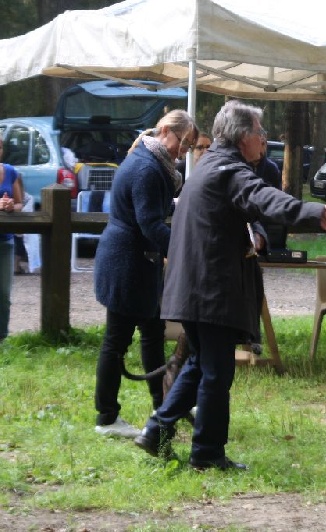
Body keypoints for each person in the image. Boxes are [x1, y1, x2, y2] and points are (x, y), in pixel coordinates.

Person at [135, 100, 326, 471]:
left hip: (191, 287)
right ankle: (207, 455)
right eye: (260, 134)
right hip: (208, 290)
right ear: (243, 136)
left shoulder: (208, 164)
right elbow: (264, 198)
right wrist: (312, 211)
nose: (264, 141)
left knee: (200, 364)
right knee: (216, 373)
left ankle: (157, 429)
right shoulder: (229, 169)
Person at [93, 110, 199, 438]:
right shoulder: (146, 168)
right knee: (116, 341)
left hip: (139, 263)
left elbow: (154, 208)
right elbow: (149, 222)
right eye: (183, 143)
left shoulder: (150, 162)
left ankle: (162, 408)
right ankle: (107, 418)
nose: (184, 151)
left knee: (153, 336)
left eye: (189, 146)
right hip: (126, 264)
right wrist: (183, 253)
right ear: (165, 130)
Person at [0, 137, 24, 342]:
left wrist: (10, 207)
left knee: (4, 293)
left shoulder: (10, 172)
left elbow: (19, 204)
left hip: (4, 241)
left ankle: (2, 337)